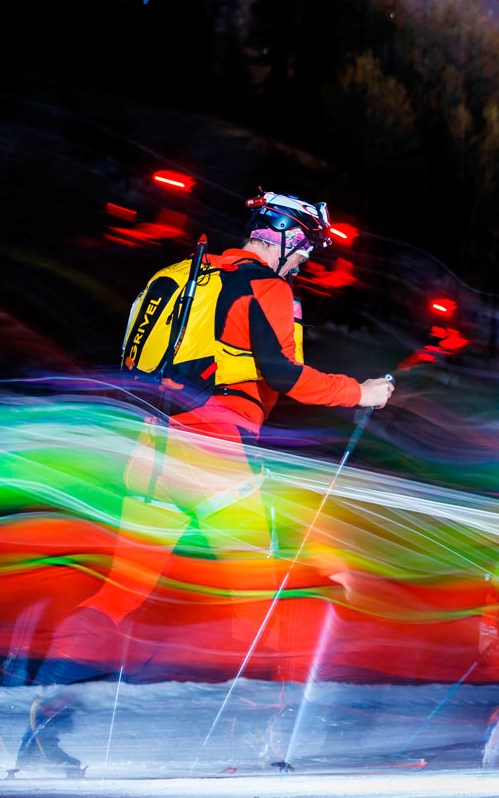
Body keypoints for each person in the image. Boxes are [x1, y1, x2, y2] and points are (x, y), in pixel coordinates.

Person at [37, 191, 392, 684]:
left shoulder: (180, 274)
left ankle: (46, 705)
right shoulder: (266, 288)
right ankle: (258, 733)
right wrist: (361, 392)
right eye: (307, 250)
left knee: (120, 592)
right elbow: (284, 375)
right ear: (286, 237)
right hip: (217, 454)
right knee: (253, 595)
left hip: (151, 448)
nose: (305, 263)